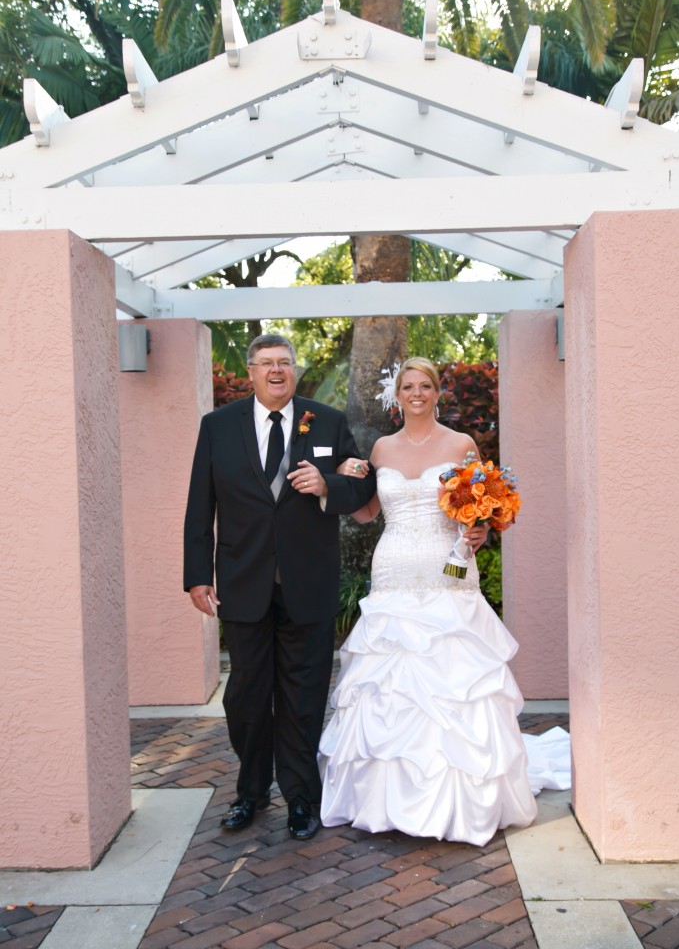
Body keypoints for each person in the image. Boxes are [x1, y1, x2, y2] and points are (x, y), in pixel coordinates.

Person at [319, 357, 570, 846]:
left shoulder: (461, 444)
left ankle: (460, 797)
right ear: (397, 395)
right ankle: (384, 799)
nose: (416, 393)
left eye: (425, 386)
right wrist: (343, 476)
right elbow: (370, 514)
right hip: (393, 572)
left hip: (447, 570)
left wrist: (479, 529)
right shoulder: (382, 448)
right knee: (389, 683)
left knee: (453, 681)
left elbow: (482, 506)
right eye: (408, 386)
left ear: (438, 392)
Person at [184, 334, 376, 841]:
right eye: (266, 363)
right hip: (243, 583)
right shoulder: (217, 427)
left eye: (284, 363)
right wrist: (197, 574)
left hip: (306, 584)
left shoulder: (327, 422)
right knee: (245, 696)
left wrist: (328, 486)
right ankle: (249, 793)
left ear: (295, 370)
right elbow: (200, 506)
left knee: (304, 696)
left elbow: (362, 484)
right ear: (250, 372)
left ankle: (300, 799)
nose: (276, 371)